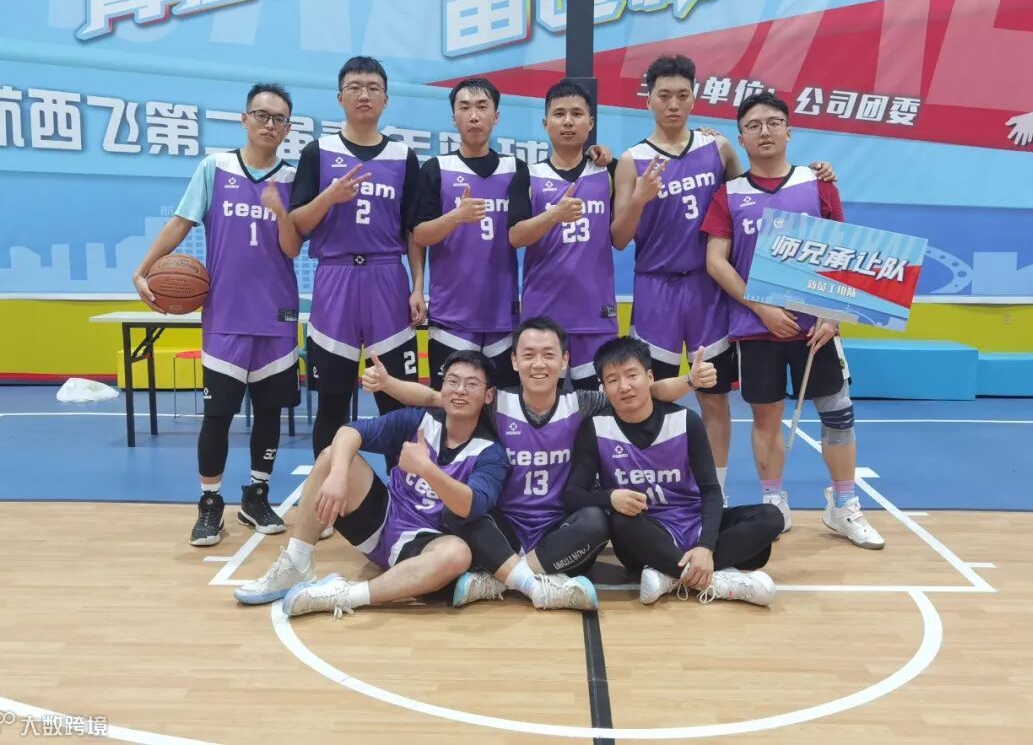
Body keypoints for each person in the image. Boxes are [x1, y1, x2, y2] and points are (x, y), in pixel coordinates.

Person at [364, 316, 718, 611]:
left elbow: (647, 392)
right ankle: (529, 581)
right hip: (504, 526)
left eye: (548, 355)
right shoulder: (495, 402)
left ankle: (500, 580)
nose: (538, 364)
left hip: (558, 530)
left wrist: (690, 381)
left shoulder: (581, 403)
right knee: (458, 513)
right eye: (528, 355)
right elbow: (433, 397)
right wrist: (387, 383)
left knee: (597, 520)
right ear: (514, 361)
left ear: (564, 361)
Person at [612, 55, 836, 504]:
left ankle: (715, 493)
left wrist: (819, 175)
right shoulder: (632, 160)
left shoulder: (718, 150)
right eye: (664, 95)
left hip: (706, 289)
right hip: (654, 288)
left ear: (694, 98)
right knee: (651, 395)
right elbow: (619, 238)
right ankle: (654, 487)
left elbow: (754, 197)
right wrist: (639, 198)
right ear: (648, 99)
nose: (673, 104)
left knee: (713, 396)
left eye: (682, 95)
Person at [701, 91, 885, 549]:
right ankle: (773, 502)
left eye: (773, 122)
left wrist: (832, 315)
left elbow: (843, 255)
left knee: (838, 413)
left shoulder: (817, 184)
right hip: (756, 329)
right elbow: (716, 261)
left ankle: (844, 505)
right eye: (753, 125)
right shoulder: (729, 195)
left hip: (816, 329)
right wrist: (761, 307)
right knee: (766, 418)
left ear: (789, 131)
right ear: (741, 138)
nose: (764, 131)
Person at [133, 82, 302, 546]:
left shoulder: (293, 179)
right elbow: (180, 223)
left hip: (277, 315)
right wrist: (143, 269)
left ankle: (256, 495)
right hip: (225, 314)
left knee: (269, 412)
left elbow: (293, 247)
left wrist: (280, 212)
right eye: (261, 115)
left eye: (279, 118)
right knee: (218, 415)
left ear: (288, 128)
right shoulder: (215, 167)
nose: (269, 124)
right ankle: (210, 503)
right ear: (244, 119)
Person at [234, 351, 509, 618]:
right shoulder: (418, 420)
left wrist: (426, 469)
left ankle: (345, 595)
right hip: (382, 520)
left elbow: (470, 506)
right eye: (453, 381)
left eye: (471, 384)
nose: (460, 390)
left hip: (425, 544)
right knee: (332, 456)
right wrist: (338, 475)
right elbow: (350, 431)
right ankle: (296, 564)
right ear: (442, 386)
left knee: (457, 554)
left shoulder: (491, 453)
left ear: (488, 395)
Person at [564, 337, 785, 606]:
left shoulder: (685, 420)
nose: (624, 386)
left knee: (770, 517)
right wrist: (609, 497)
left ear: (649, 377)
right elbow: (573, 494)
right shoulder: (596, 429)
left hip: (693, 521)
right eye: (612, 380)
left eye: (632, 375)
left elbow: (710, 490)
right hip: (645, 533)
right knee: (619, 521)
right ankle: (715, 579)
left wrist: (706, 545)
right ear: (603, 387)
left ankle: (672, 575)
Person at [288, 56, 426, 481]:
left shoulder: (404, 156)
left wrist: (418, 286)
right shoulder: (318, 152)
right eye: (354, 87)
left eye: (372, 87)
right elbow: (298, 224)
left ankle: (404, 497)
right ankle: (328, 495)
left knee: (397, 401)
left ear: (385, 98)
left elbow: (414, 231)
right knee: (332, 399)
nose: (364, 95)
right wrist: (329, 197)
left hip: (388, 277)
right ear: (340, 97)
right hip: (336, 277)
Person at [411, 78, 524, 389]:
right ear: (454, 117)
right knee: (451, 405)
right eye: (465, 107)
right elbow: (420, 235)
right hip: (452, 316)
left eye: (482, 107)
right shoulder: (436, 168)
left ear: (496, 116)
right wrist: (456, 217)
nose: (474, 115)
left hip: (503, 316)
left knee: (502, 406)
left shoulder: (516, 169)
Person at [508, 80, 617, 390]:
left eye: (576, 114)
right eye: (559, 114)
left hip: (596, 314)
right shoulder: (527, 175)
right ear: (546, 123)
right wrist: (554, 215)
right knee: (542, 405)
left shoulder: (609, 171)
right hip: (543, 317)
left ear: (590, 123)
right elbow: (515, 236)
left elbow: (623, 235)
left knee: (597, 408)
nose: (568, 122)